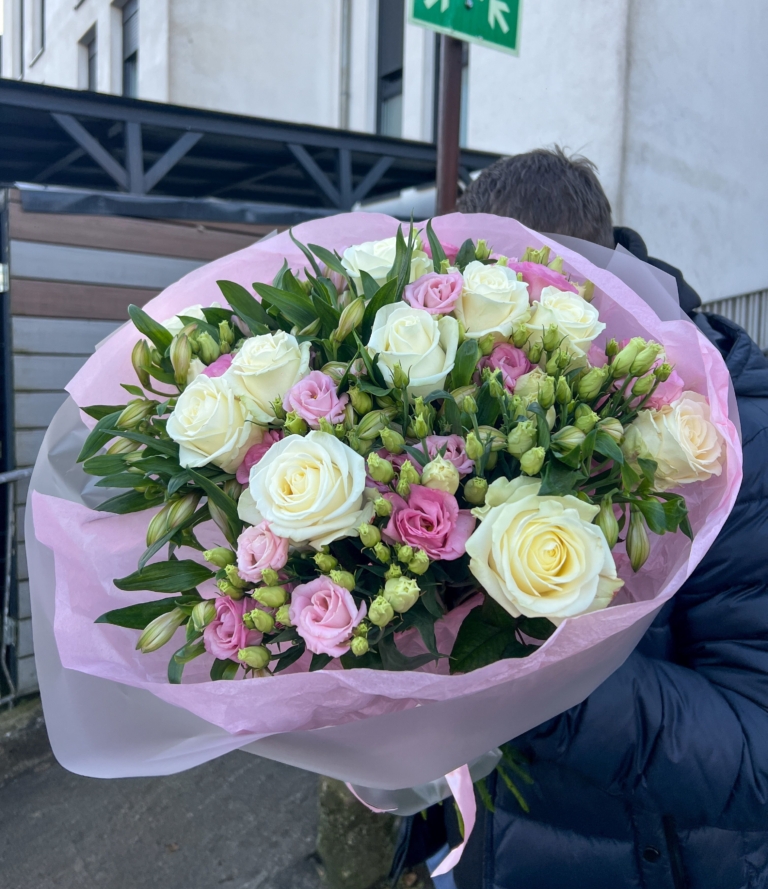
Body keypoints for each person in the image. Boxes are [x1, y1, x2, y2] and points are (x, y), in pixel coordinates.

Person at [401, 148, 768, 889]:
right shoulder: (459, 408)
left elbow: (753, 747)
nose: (494, 359)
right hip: (500, 855)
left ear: (580, 284)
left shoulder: (734, 431)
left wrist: (523, 675)